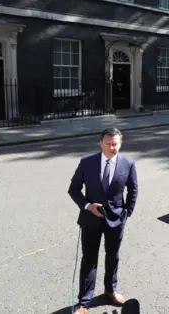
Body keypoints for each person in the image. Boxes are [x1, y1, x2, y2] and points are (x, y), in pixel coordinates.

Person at [68, 128, 139, 314]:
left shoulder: (128, 164)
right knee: (89, 259)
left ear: (121, 142)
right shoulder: (87, 163)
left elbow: (133, 191)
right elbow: (74, 189)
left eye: (115, 144)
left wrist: (126, 214)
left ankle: (110, 290)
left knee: (112, 256)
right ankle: (83, 302)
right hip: (91, 219)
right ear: (100, 143)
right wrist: (87, 206)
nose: (111, 148)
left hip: (116, 220)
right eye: (108, 144)